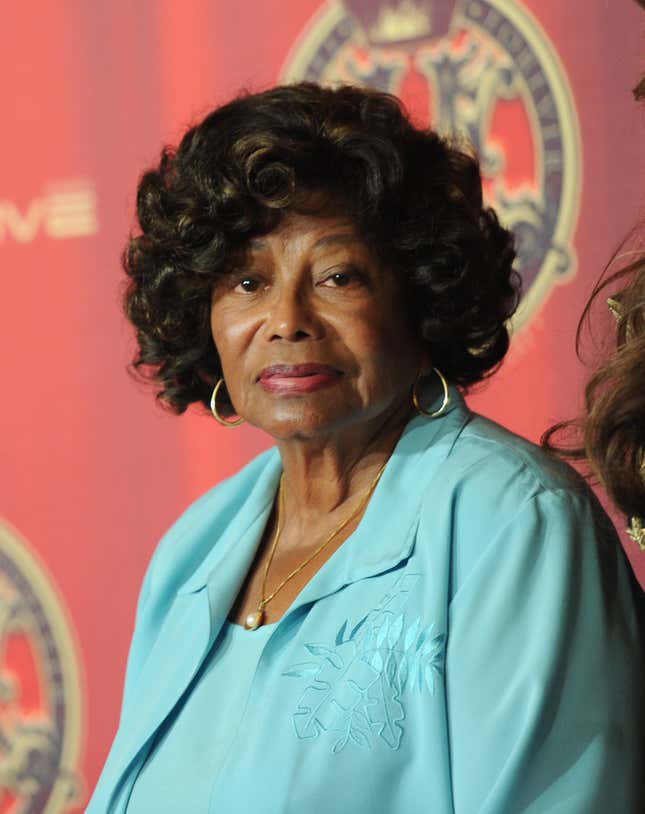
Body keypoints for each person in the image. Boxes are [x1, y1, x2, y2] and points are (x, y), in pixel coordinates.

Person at [88, 83, 644, 814]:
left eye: (336, 277)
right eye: (248, 281)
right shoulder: (194, 550)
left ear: (417, 296)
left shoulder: (511, 524)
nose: (285, 320)